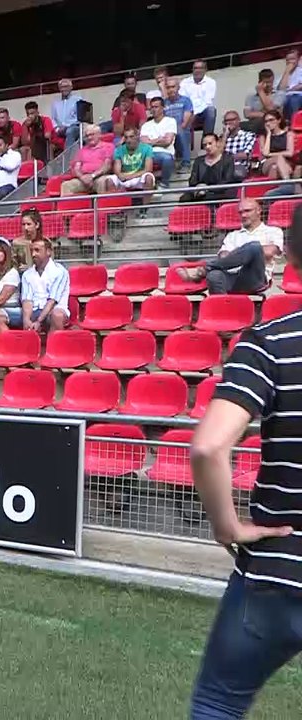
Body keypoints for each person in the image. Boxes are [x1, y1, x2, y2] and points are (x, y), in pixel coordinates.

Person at [187, 204, 302, 719]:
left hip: (278, 572)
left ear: (292, 257)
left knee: (218, 703)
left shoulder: (271, 341)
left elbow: (210, 446)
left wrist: (226, 525)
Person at [177, 199, 282, 295]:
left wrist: (243, 253)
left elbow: (269, 252)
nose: (244, 215)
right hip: (232, 276)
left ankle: (203, 270)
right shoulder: (232, 235)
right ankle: (222, 310)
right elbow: (223, 257)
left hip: (255, 278)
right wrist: (243, 254)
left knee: (254, 247)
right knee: (214, 275)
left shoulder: (273, 231)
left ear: (259, 210)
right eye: (240, 212)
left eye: (247, 211)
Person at [20, 236, 70, 332]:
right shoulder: (27, 274)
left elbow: (52, 301)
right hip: (34, 310)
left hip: (53, 310)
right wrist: (26, 320)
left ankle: (54, 346)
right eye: (32, 251)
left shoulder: (60, 271)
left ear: (48, 252)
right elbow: (27, 300)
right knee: (1, 316)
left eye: (37, 250)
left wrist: (39, 321)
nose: (33, 254)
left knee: (57, 315)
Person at [58, 124, 114, 196]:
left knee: (103, 182)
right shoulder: (82, 150)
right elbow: (76, 168)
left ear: (99, 135)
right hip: (83, 179)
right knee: (66, 185)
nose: (89, 137)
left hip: (100, 177)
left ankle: (102, 206)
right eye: (87, 136)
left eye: (92, 134)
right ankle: (69, 207)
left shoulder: (108, 146)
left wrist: (92, 176)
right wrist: (82, 177)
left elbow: (107, 166)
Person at [181, 133, 237, 203]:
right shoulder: (199, 161)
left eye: (210, 143)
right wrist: (199, 187)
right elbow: (192, 181)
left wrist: (208, 189)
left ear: (218, 143)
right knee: (184, 198)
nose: (207, 147)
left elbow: (228, 180)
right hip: (200, 192)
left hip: (220, 192)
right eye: (205, 145)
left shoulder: (228, 160)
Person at [103, 128, 157, 194]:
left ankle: (146, 204)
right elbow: (117, 171)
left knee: (148, 178)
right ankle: (114, 203)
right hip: (124, 177)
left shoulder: (147, 148)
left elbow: (148, 169)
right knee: (110, 180)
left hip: (139, 177)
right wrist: (121, 176)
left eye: (131, 137)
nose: (128, 140)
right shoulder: (118, 150)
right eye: (126, 137)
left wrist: (130, 176)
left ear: (137, 137)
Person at [140, 96, 178, 188]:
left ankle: (164, 184)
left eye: (156, 107)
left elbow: (167, 142)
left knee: (167, 158)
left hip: (166, 153)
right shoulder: (146, 125)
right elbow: (143, 143)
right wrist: (159, 139)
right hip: (148, 153)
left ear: (163, 108)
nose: (153, 109)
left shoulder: (170, 121)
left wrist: (151, 141)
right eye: (152, 107)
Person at [179, 59, 218, 144]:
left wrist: (194, 113)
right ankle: (183, 147)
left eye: (201, 68)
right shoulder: (185, 82)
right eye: (195, 68)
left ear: (205, 70)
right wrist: (190, 113)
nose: (198, 70)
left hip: (201, 113)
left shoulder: (211, 82)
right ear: (192, 70)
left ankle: (205, 143)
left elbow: (207, 102)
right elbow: (182, 100)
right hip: (187, 113)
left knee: (211, 110)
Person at [257, 109, 297, 182]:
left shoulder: (288, 134)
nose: (268, 123)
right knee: (277, 161)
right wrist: (269, 134)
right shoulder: (263, 137)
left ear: (279, 120)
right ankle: (288, 183)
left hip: (286, 162)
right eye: (266, 121)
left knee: (275, 167)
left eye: (271, 120)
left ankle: (277, 189)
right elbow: (265, 153)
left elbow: (290, 153)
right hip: (267, 162)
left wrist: (272, 154)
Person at [244, 68, 284, 135]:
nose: (268, 85)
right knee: (240, 125)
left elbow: (271, 111)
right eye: (265, 82)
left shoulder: (279, 94)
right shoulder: (251, 97)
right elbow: (247, 114)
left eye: (270, 82)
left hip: (274, 123)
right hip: (255, 124)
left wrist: (260, 92)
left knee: (263, 122)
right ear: (259, 82)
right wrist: (264, 114)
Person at [50, 78, 84, 146]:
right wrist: (57, 129)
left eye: (66, 87)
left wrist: (67, 126)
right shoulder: (55, 103)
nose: (63, 89)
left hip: (74, 127)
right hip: (59, 129)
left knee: (70, 131)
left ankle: (68, 156)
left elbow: (81, 118)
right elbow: (53, 119)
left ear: (71, 87)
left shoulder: (78, 100)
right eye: (61, 87)